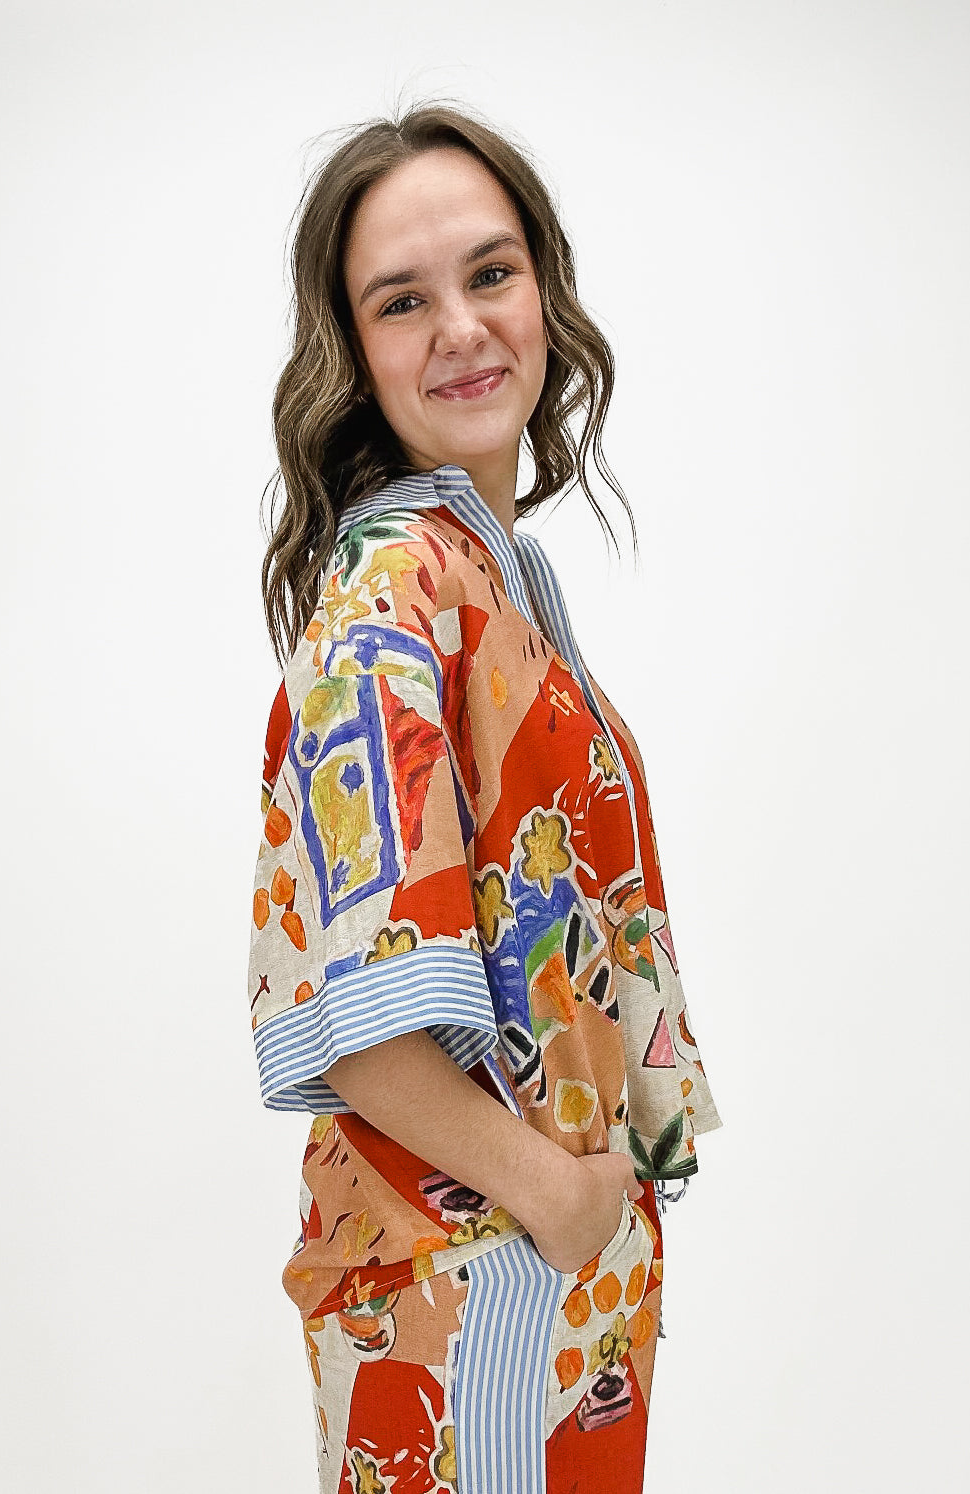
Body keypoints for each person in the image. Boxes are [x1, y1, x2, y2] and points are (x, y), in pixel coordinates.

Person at [247, 101, 723, 1494]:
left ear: (544, 291)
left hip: (553, 1280)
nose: (460, 327)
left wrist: (595, 1215)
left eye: (490, 272)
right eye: (402, 300)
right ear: (354, 355)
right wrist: (560, 1196)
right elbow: (358, 1018)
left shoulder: (498, 581)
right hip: (466, 1291)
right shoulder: (390, 603)